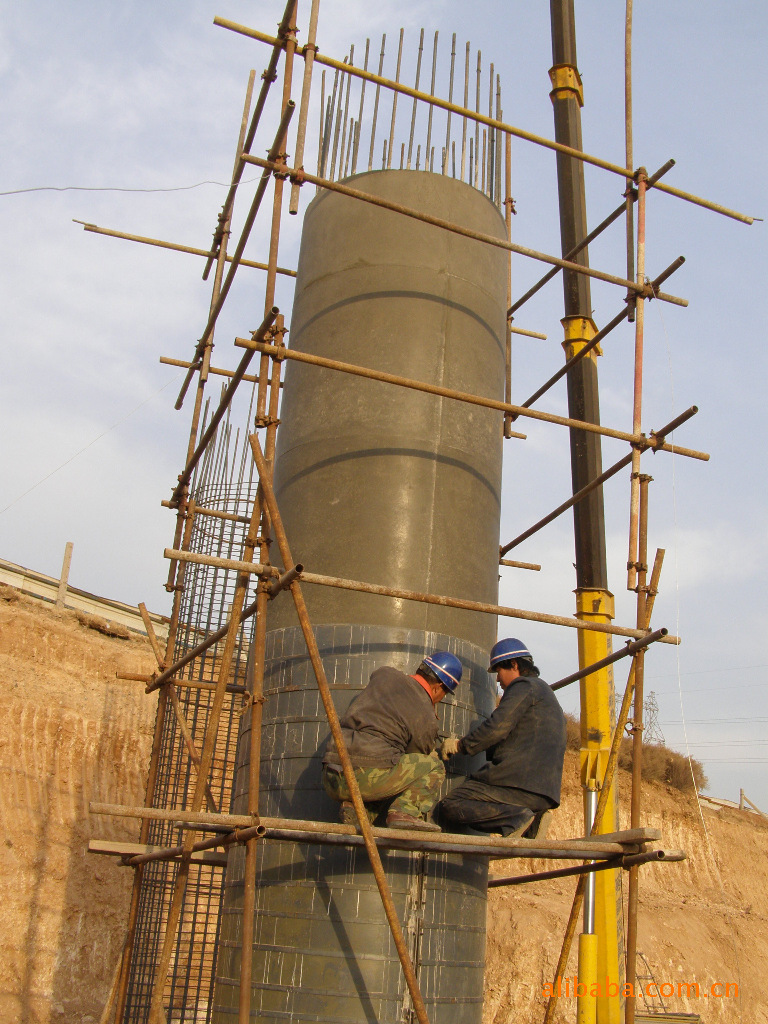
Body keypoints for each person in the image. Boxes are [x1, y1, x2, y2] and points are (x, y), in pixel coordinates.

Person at [436, 637, 566, 838]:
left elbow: (497, 728)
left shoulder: (524, 686)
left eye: (498, 671)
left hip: (518, 782)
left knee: (452, 804)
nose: (497, 680)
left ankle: (516, 819)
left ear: (514, 665)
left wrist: (460, 745)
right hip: (544, 791)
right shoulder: (548, 698)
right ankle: (531, 824)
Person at [321, 651, 462, 832]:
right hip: (363, 778)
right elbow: (417, 755)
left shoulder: (384, 674)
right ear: (438, 687)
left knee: (386, 761)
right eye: (444, 693)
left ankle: (358, 811)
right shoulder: (426, 717)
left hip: (332, 774)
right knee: (432, 766)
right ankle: (405, 814)